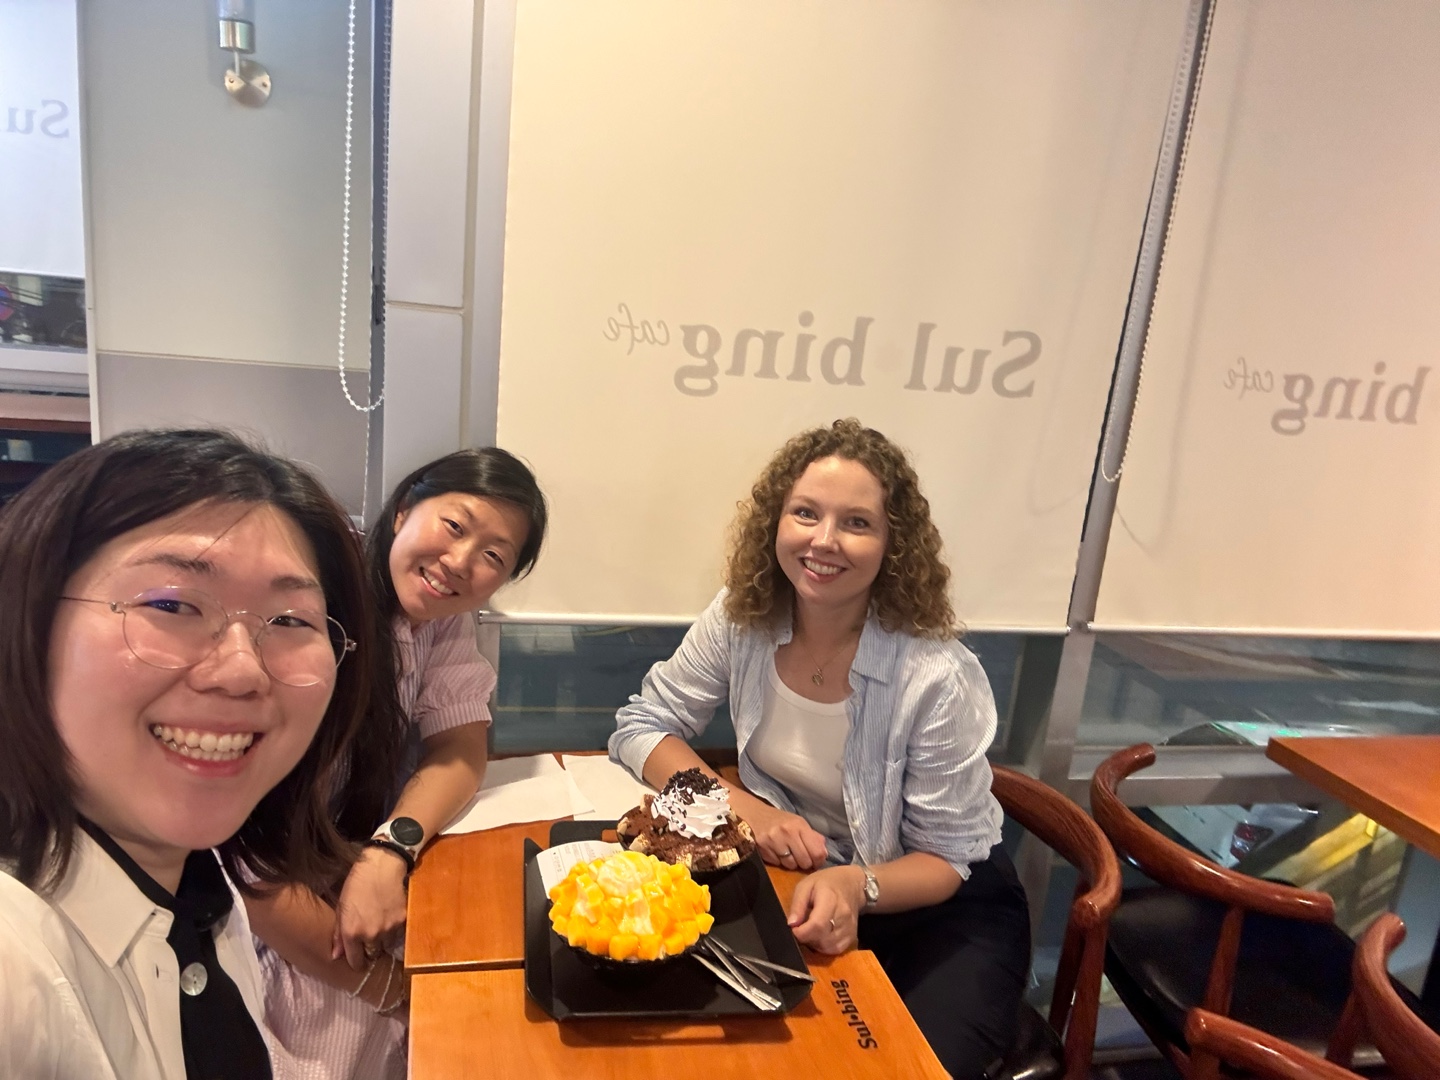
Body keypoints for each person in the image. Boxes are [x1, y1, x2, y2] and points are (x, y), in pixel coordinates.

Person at [609, 418, 1030, 1079]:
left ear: (893, 545)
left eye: (856, 523)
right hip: (797, 881)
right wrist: (747, 810)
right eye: (806, 513)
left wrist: (854, 886)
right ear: (776, 521)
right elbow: (643, 726)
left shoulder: (936, 676)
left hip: (938, 907)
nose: (824, 540)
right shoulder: (742, 616)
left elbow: (948, 859)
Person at [0, 428, 387, 1080]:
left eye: (290, 620)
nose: (242, 671)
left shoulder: (207, 892)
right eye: (171, 604)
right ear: (25, 618)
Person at [248, 447, 547, 1080]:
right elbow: (251, 872)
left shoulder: (439, 620)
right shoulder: (312, 603)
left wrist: (391, 849)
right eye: (455, 526)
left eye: (494, 556)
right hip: (273, 922)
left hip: (353, 870)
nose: (460, 562)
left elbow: (460, 749)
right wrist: (397, 989)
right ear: (406, 506)